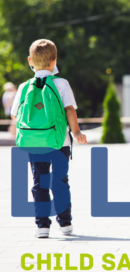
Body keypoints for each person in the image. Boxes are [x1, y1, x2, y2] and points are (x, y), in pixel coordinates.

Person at [11, 39, 87, 238]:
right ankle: (66, 223)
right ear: (54, 61)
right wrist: (77, 132)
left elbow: (14, 114)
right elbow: (69, 109)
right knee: (60, 181)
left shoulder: (24, 87)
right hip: (59, 142)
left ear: (30, 60)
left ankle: (42, 226)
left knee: (39, 182)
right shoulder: (61, 84)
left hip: (34, 143)